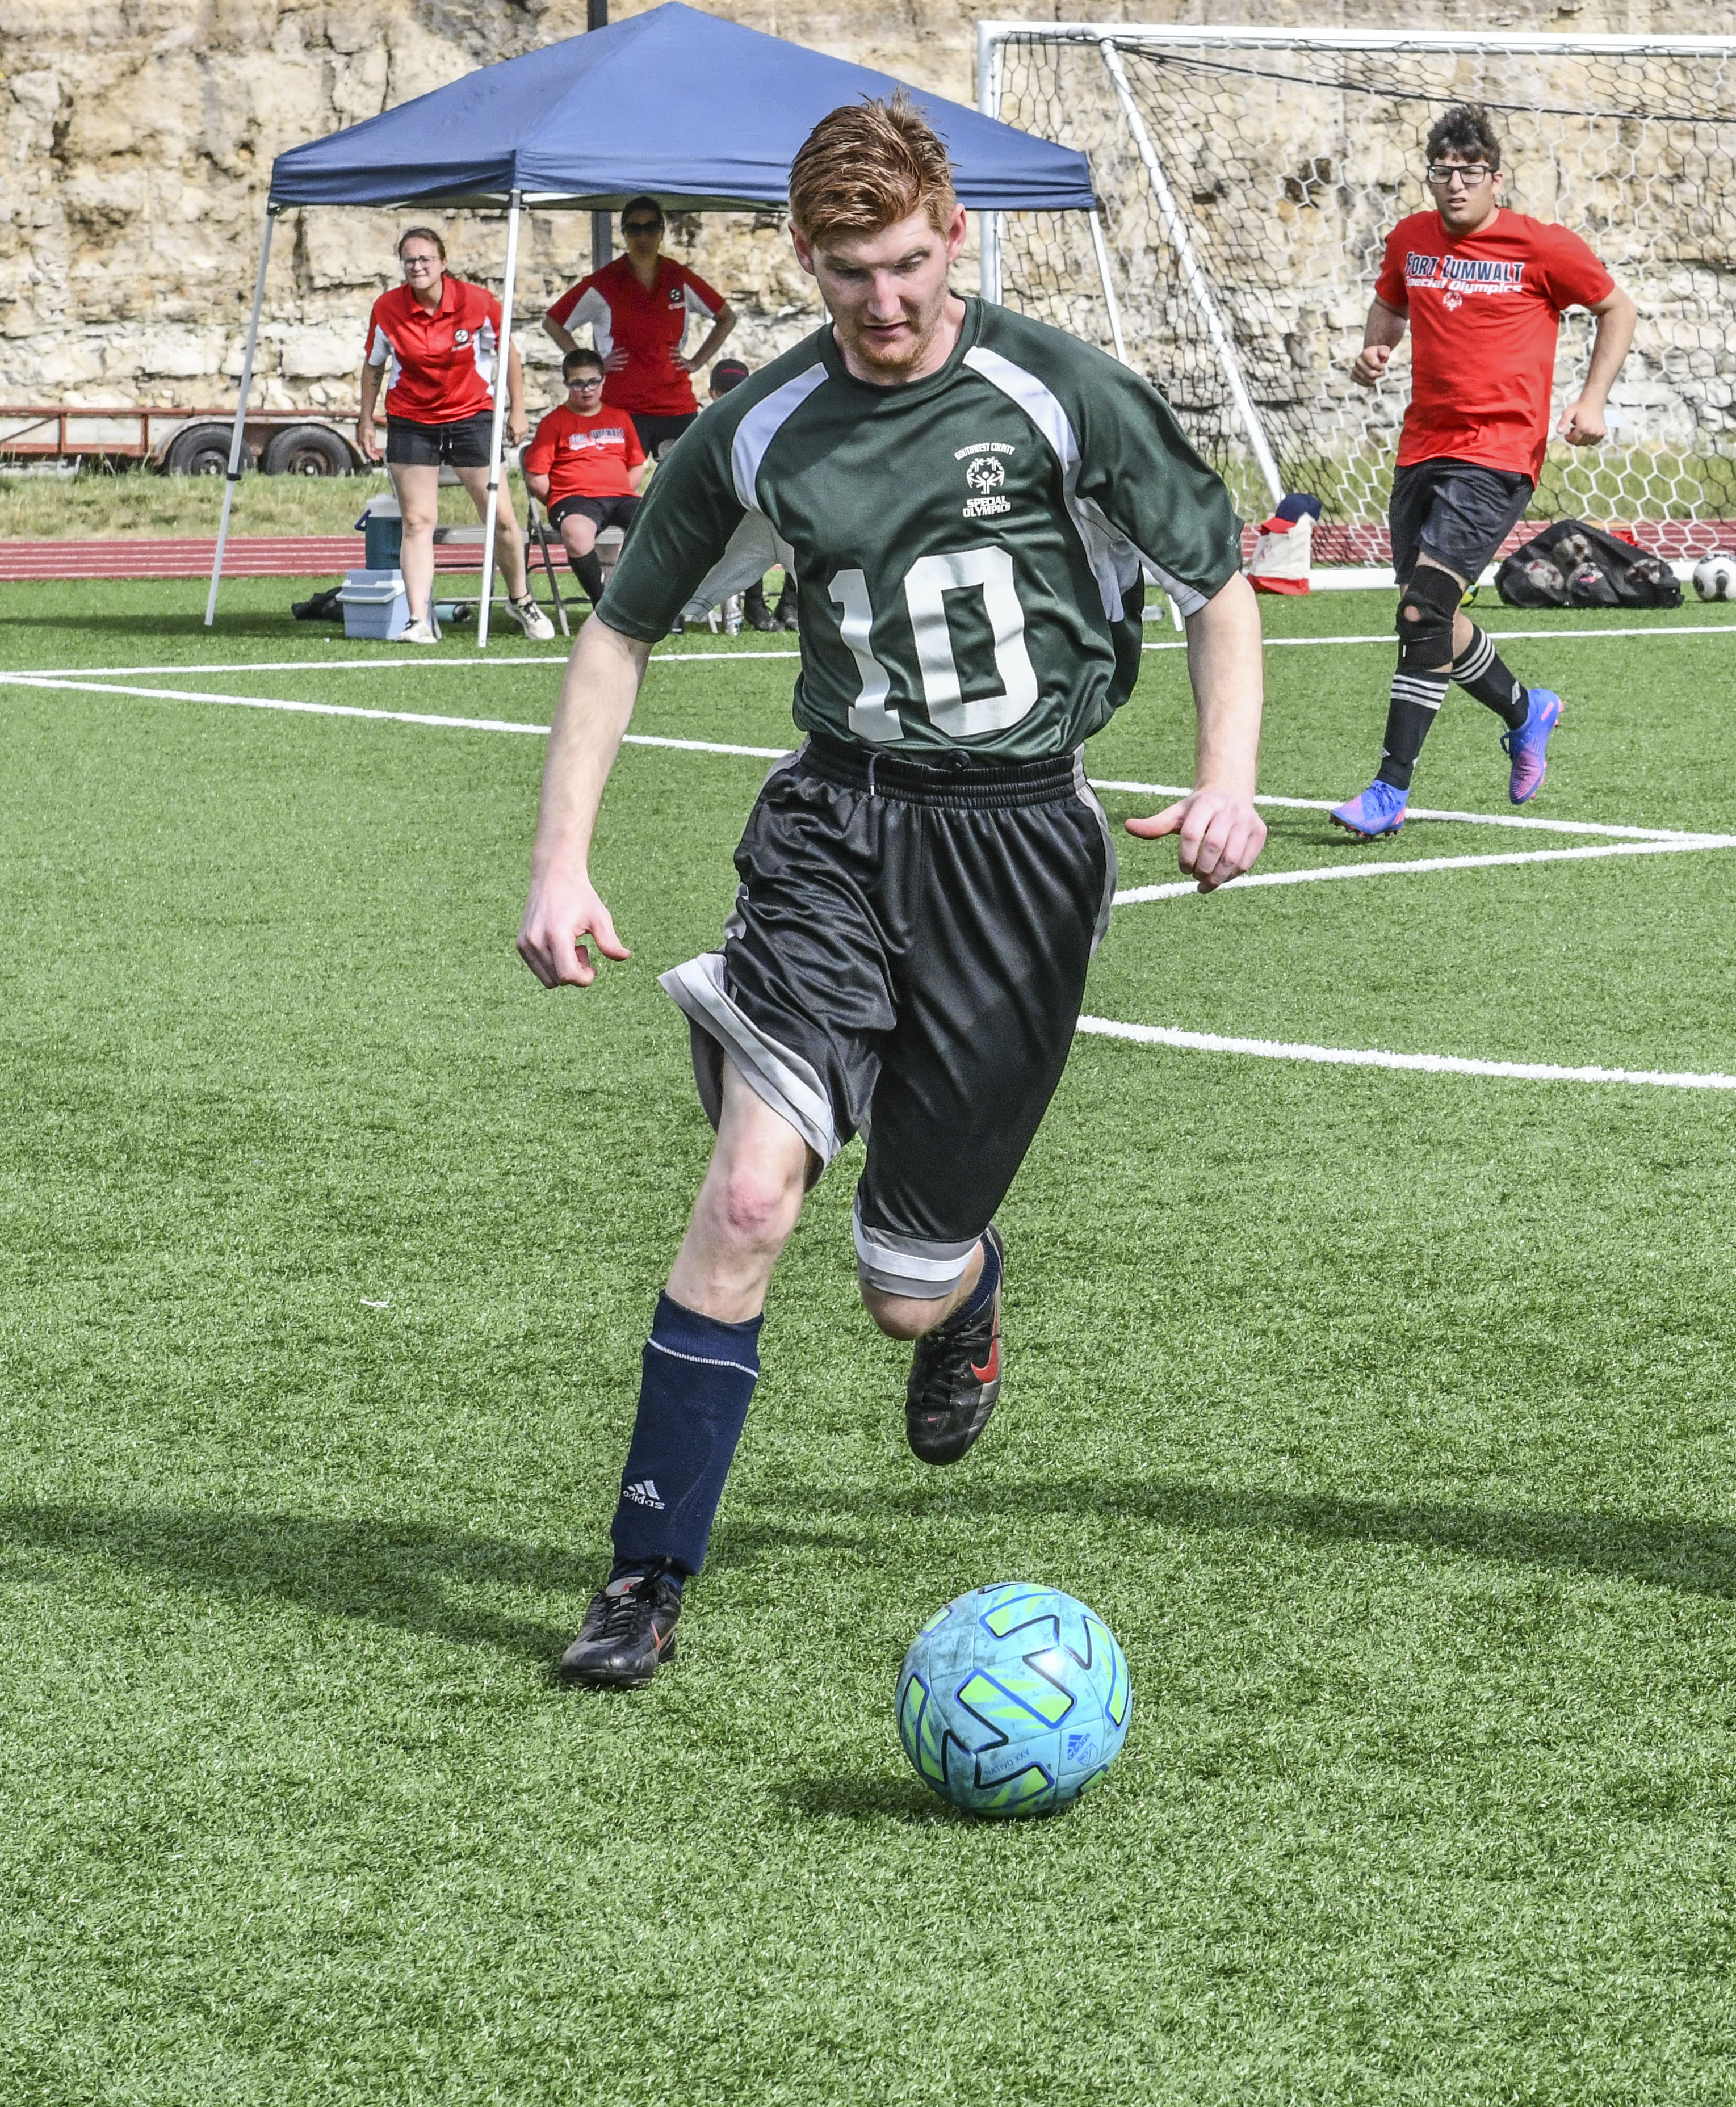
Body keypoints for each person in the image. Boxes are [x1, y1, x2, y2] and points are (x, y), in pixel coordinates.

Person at [516, 98, 1269, 1688]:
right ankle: (644, 1575)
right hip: (836, 833)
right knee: (744, 1198)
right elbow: (618, 628)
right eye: (852, 270)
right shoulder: (765, 428)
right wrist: (560, 862)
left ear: (959, 239)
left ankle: (969, 1283)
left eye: (913, 262)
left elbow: (1218, 582)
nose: (886, 300)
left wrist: (1227, 778)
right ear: (805, 260)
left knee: (900, 1297)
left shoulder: (1061, 393)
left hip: (1022, 853)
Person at [1330, 102, 1636, 836]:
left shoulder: (1542, 247)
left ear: (1496, 178)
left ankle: (1389, 791)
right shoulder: (1410, 240)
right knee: (1435, 619)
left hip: (1498, 454)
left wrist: (1592, 401)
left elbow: (1617, 309)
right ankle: (1530, 713)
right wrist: (1376, 350)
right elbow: (1388, 307)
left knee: (1421, 615)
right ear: (1430, 176)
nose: (1456, 184)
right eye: (1444, 172)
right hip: (1422, 451)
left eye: (1471, 172)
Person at [356, 225, 551, 644]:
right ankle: (418, 619)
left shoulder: (477, 302)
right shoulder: (388, 308)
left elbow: (508, 354)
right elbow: (374, 366)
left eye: (425, 259)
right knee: (417, 521)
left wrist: (518, 410)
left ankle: (520, 599)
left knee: (501, 517)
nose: (417, 266)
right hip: (411, 419)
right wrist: (364, 419)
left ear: (443, 263)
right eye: (410, 260)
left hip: (471, 416)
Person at [544, 196, 736, 457]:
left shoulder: (678, 277)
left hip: (674, 403)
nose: (642, 236)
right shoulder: (605, 282)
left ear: (661, 232)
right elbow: (553, 322)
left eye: (650, 228)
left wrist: (697, 363)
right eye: (634, 229)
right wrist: (593, 365)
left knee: (681, 487)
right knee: (617, 486)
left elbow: (726, 317)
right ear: (624, 234)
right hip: (621, 404)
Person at [520, 347, 651, 607]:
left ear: (603, 381)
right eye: (578, 384)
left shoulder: (620, 417)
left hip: (620, 496)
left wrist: (621, 488)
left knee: (655, 524)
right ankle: (605, 605)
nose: (587, 390)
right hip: (574, 498)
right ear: (567, 384)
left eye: (593, 382)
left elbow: (638, 464)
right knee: (577, 533)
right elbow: (536, 476)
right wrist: (560, 499)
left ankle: (644, 600)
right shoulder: (553, 422)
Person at [708, 356, 796, 633]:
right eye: (725, 390)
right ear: (713, 393)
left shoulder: (764, 423)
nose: (733, 395)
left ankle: (790, 606)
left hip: (762, 501)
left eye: (740, 388)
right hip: (725, 508)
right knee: (753, 527)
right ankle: (755, 606)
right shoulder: (705, 427)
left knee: (802, 527)